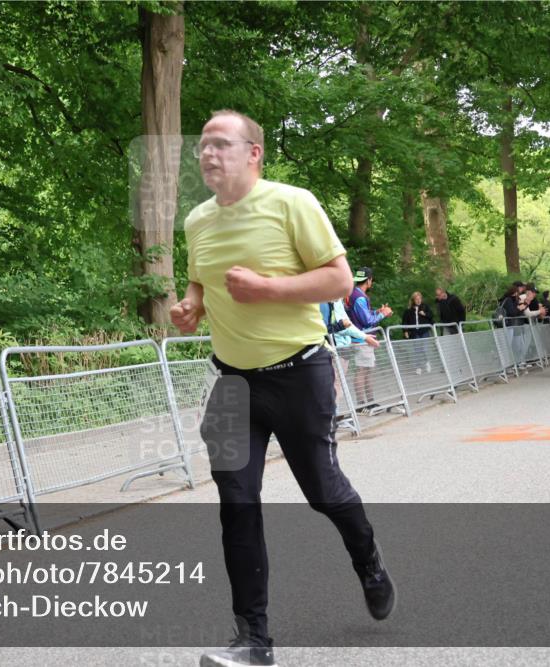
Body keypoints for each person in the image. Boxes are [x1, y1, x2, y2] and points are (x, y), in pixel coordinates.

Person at [172, 110, 394, 667]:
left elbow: (340, 281)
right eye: (203, 145)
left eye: (221, 144)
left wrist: (268, 289)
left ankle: (367, 559)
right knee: (236, 504)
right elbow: (200, 278)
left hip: (299, 372)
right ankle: (254, 641)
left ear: (254, 153)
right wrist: (191, 305)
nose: (208, 154)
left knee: (323, 492)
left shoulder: (292, 202)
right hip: (232, 381)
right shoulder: (197, 219)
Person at [347, 267, 393, 408]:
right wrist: (383, 314)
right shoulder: (359, 297)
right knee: (362, 371)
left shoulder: (353, 293)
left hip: (361, 338)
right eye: (371, 279)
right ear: (369, 280)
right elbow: (367, 321)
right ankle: (362, 405)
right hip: (362, 340)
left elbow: (362, 315)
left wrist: (377, 311)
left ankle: (370, 402)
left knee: (367, 370)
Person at [400, 291, 435, 373]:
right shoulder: (408, 310)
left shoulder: (425, 307)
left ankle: (427, 363)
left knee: (424, 348)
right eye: (416, 299)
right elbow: (405, 321)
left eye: (420, 299)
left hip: (424, 331)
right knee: (417, 349)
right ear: (413, 300)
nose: (419, 300)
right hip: (415, 332)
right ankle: (418, 367)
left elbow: (431, 315)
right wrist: (405, 331)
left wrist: (425, 314)